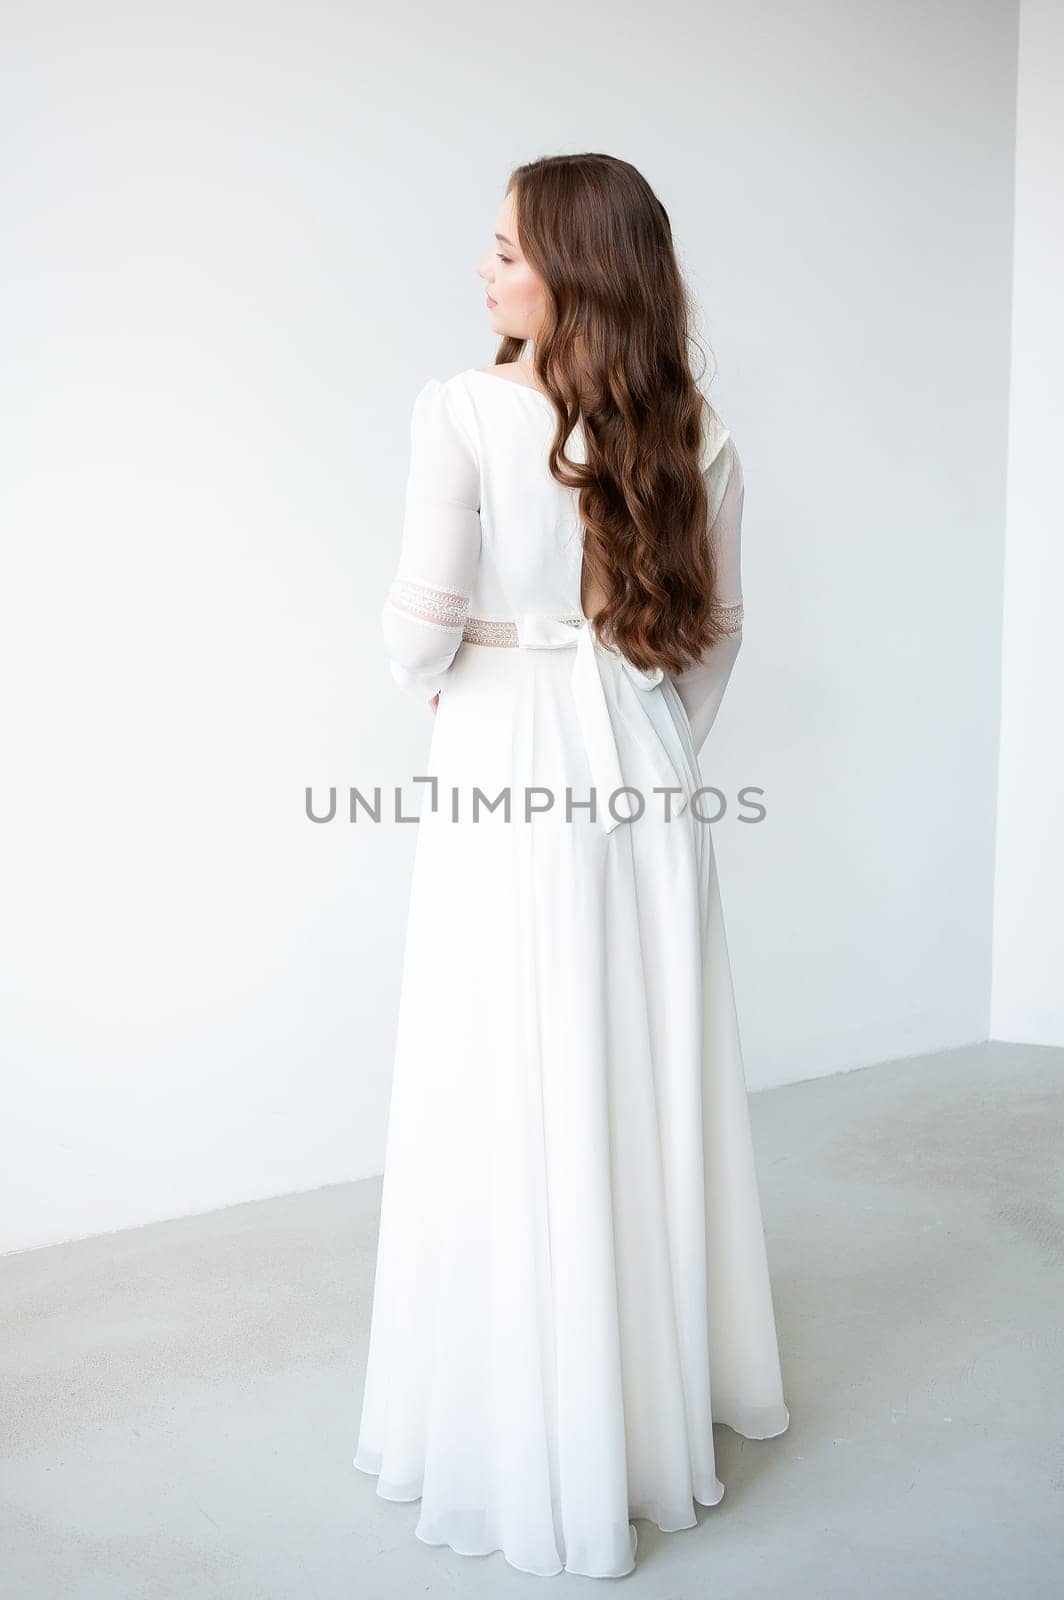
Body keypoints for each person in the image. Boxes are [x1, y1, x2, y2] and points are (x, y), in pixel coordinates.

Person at [354, 152, 789, 1580]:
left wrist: (454, 661)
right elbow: (713, 639)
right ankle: (644, 1415)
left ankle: (524, 1414)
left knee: (507, 1070)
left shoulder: (460, 411)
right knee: (637, 1071)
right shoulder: (698, 426)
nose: (482, 273)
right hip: (644, 771)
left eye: (505, 252)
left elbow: (417, 638)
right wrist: (649, 740)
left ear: (575, 272)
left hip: (506, 764)